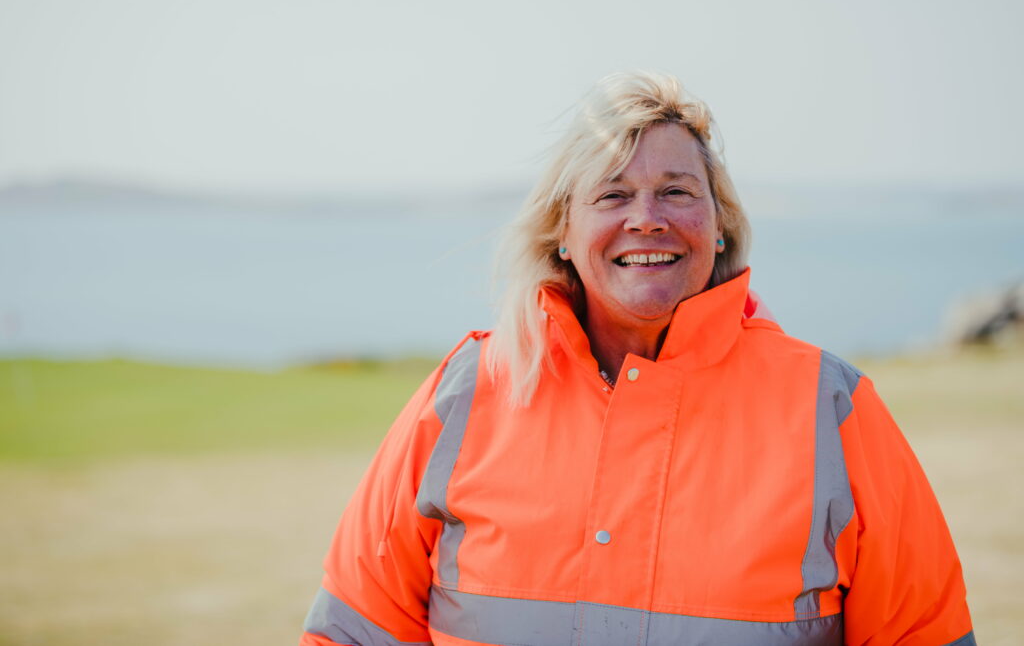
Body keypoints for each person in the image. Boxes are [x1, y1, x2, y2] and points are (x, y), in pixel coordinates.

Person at [299, 72, 975, 646]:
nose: (646, 217)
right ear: (563, 231)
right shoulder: (466, 393)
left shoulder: (830, 407)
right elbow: (352, 630)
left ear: (720, 226)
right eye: (612, 194)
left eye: (677, 191)